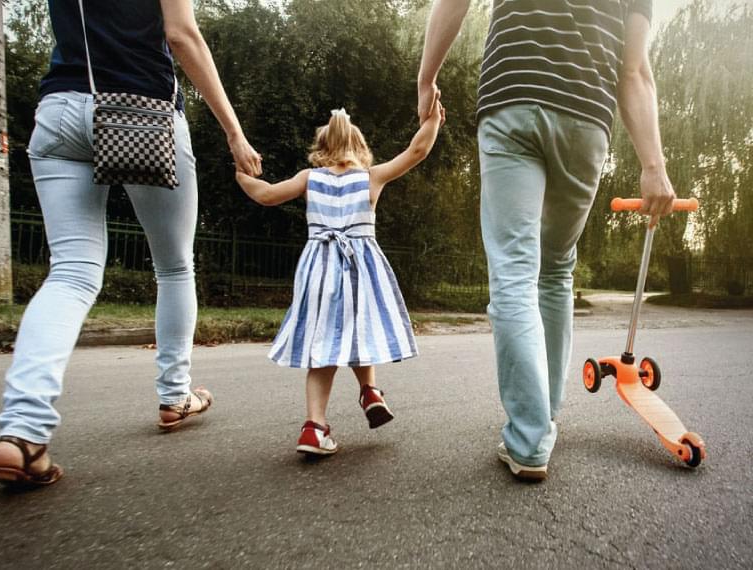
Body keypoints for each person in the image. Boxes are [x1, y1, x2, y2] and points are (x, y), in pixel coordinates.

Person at [0, 0, 262, 487]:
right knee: (174, 266)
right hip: (143, 113)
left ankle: (22, 431)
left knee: (70, 272)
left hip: (61, 109)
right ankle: (175, 395)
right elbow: (182, 36)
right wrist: (234, 134)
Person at [417, 0, 676, 480]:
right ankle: (545, 414)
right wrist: (652, 165)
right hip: (585, 114)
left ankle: (530, 438)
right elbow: (634, 71)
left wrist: (426, 78)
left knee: (516, 270)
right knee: (555, 269)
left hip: (513, 94)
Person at [234, 104, 445, 456]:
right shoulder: (370, 177)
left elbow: (265, 194)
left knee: (324, 345)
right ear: (359, 146)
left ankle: (314, 427)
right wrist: (434, 120)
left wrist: (241, 173)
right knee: (359, 330)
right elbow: (417, 151)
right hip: (361, 266)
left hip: (319, 266)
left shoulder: (308, 178)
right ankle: (371, 392)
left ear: (321, 148)